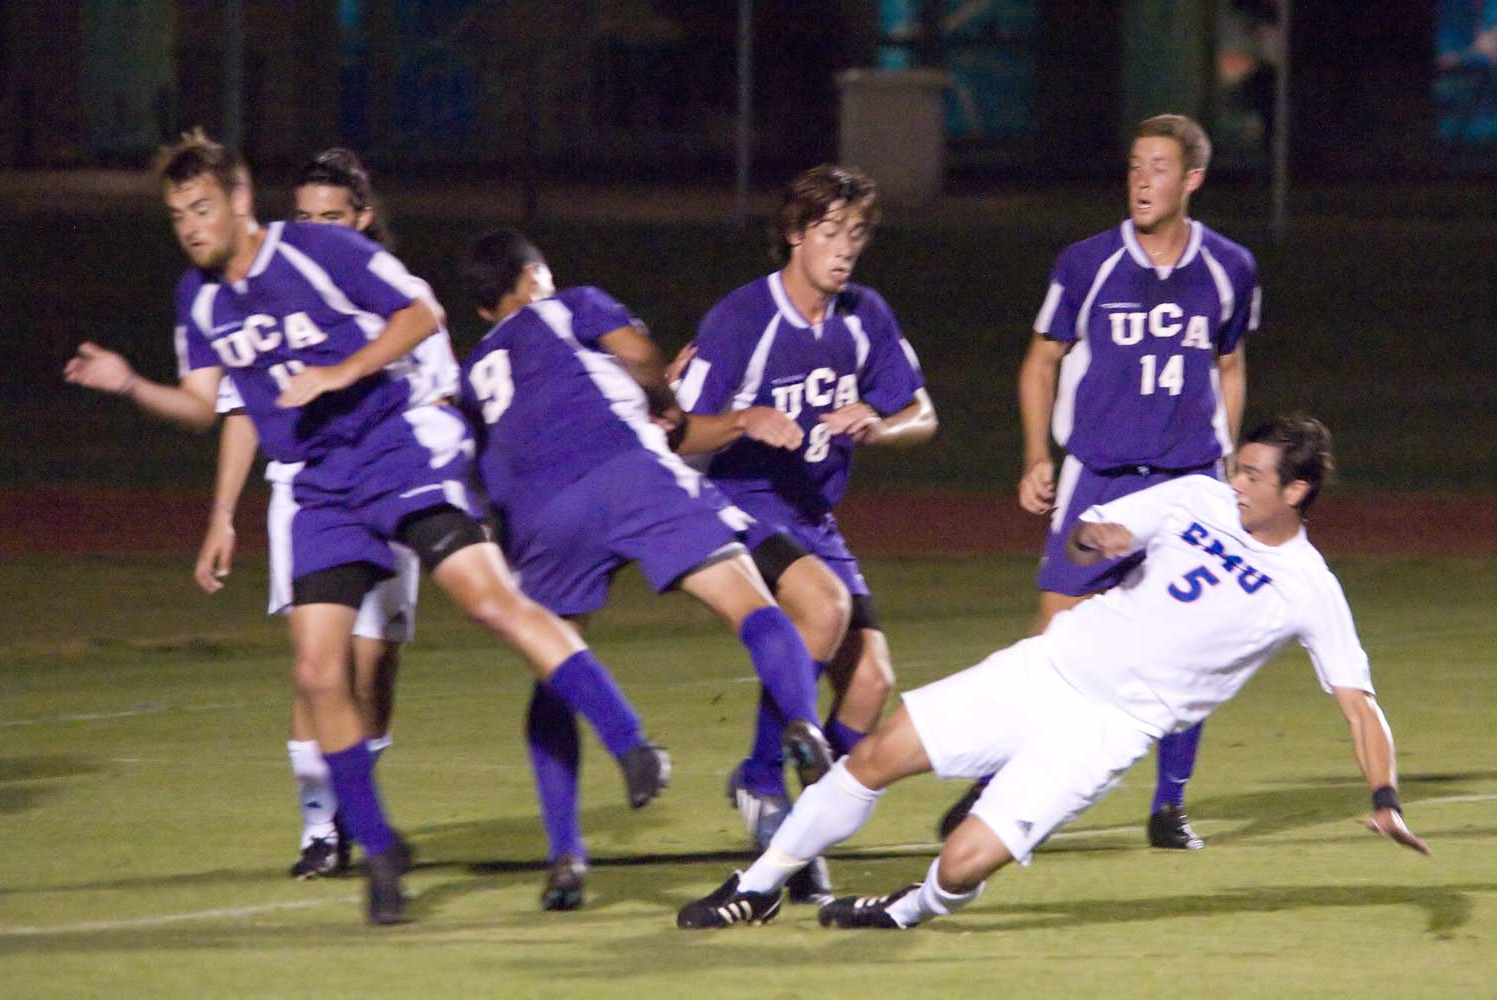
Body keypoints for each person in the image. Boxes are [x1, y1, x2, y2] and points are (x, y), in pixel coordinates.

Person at [63, 130, 668, 925]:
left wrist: (341, 372)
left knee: (486, 599)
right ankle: (378, 850)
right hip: (320, 486)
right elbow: (202, 406)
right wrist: (129, 384)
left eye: (202, 208)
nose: (191, 227)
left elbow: (422, 313)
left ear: (240, 201)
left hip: (396, 450)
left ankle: (631, 743)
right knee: (318, 673)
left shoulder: (318, 250)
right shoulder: (199, 298)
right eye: (178, 215)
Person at [677, 415, 1429, 931]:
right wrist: (1096, 538)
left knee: (961, 864)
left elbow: (1359, 706)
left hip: (1105, 733)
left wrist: (1385, 797)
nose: (1237, 482)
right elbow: (1082, 541)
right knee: (876, 755)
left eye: (1256, 476)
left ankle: (905, 910)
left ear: (1296, 491)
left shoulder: (1310, 588)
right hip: (1045, 668)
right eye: (1238, 466)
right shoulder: (1197, 496)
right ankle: (758, 887)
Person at [457, 228, 834, 910]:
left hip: (540, 512)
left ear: (484, 308)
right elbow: (636, 355)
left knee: (556, 664)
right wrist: (662, 397)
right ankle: (803, 726)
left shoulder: (474, 370)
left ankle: (566, 855)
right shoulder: (570, 303)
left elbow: (481, 465)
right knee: (750, 604)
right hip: (626, 469)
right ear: (535, 275)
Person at [937, 114, 1258, 850]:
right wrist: (1036, 455)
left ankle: (1169, 806)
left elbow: (1231, 364)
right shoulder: (1087, 262)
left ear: (1192, 180)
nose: (1141, 181)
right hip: (1100, 479)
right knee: (1053, 639)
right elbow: (1040, 360)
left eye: (1158, 168)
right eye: (1135, 165)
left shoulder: (1229, 267)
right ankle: (994, 784)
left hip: (1185, 480)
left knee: (1190, 645)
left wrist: (1226, 461)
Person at [674, 163, 937, 898]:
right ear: (794, 234)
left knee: (872, 683)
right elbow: (676, 434)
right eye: (828, 231)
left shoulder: (864, 315)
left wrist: (880, 425)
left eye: (855, 233)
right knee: (824, 606)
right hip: (736, 501)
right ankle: (763, 781)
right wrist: (743, 421)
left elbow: (923, 414)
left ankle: (800, 829)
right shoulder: (742, 318)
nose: (844, 247)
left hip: (812, 517)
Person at [193, 148, 455, 880]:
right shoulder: (259, 292)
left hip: (391, 482)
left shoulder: (400, 299)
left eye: (331, 217)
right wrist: (222, 514)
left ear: (363, 219)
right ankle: (320, 830)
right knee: (317, 669)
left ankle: (353, 809)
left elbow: (441, 400)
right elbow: (242, 410)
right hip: (307, 493)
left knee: (374, 664)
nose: (313, 228)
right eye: (303, 216)